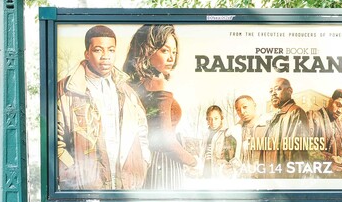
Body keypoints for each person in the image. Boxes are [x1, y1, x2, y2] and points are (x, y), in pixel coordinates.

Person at [56, 24, 151, 190]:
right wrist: (76, 177)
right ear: (87, 53)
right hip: (86, 192)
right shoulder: (66, 90)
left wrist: (142, 164)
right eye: (98, 50)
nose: (106, 56)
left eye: (111, 50)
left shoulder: (127, 92)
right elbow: (56, 143)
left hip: (125, 189)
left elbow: (142, 134)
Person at [124, 24, 197, 188]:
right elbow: (166, 140)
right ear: (147, 50)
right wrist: (193, 161)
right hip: (165, 163)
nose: (171, 58)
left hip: (147, 162)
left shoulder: (133, 85)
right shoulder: (158, 83)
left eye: (174, 52)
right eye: (165, 50)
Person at [198, 105, 236, 180]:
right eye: (210, 119)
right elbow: (201, 154)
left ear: (221, 118)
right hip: (205, 172)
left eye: (216, 118)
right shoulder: (205, 135)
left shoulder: (227, 133)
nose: (213, 122)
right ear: (207, 120)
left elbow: (232, 157)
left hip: (220, 175)